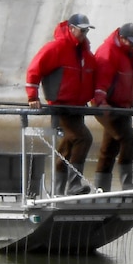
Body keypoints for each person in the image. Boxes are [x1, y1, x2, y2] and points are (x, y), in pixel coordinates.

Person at [25, 13, 105, 195]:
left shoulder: (85, 53)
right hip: (60, 107)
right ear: (71, 28)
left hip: (77, 107)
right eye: (82, 29)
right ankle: (73, 185)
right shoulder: (56, 48)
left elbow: (94, 78)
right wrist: (32, 97)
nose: (85, 33)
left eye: (87, 30)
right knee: (83, 138)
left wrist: (99, 100)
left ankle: (59, 191)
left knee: (67, 146)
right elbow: (34, 70)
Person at [93, 22, 133, 191]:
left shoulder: (132, 52)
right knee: (127, 139)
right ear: (121, 38)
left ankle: (101, 189)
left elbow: (129, 80)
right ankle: (127, 183)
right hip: (107, 106)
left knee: (110, 146)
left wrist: (132, 100)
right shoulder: (108, 53)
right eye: (132, 41)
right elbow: (100, 82)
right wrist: (102, 102)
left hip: (123, 107)